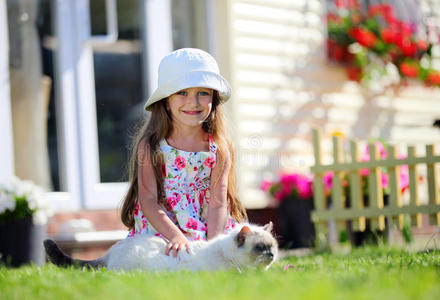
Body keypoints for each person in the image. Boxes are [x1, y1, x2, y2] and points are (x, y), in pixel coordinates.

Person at [120, 48, 247, 257]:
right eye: (182, 92)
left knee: (233, 255)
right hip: (163, 228)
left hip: (209, 226)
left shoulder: (219, 148)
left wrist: (212, 247)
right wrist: (176, 236)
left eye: (203, 93)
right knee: (163, 258)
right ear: (166, 102)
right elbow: (148, 200)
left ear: (213, 99)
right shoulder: (151, 146)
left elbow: (217, 203)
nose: (194, 102)